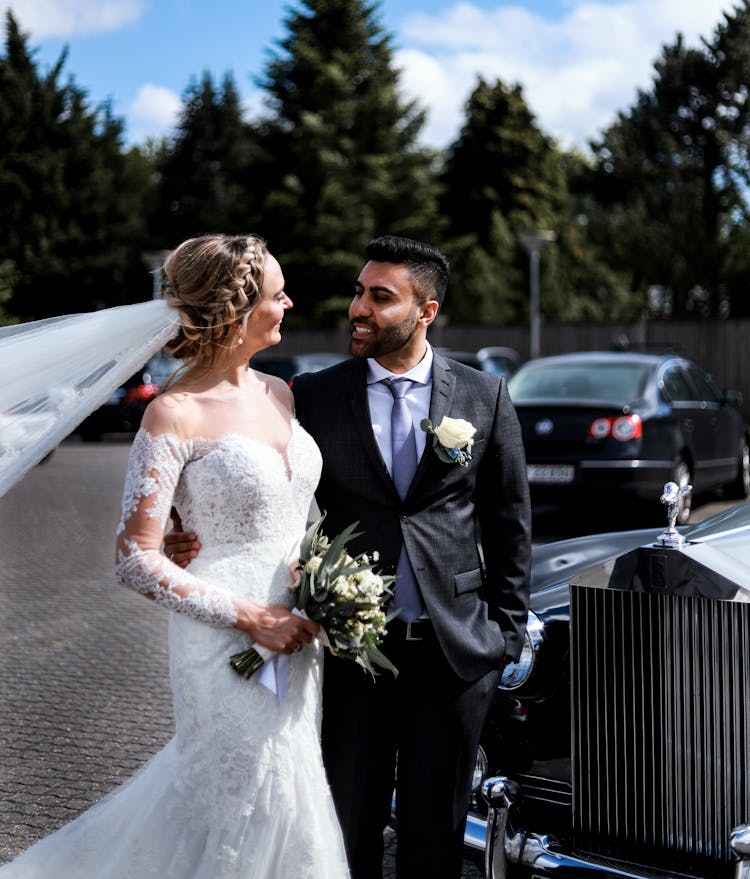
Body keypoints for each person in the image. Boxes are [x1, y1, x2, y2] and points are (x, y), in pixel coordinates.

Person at [168, 235, 531, 879]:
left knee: (435, 841)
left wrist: (502, 636)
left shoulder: (485, 397)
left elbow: (509, 527)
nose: (357, 308)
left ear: (426, 311)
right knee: (344, 831)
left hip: (455, 657)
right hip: (346, 659)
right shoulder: (312, 394)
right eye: (358, 291)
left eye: (380, 297)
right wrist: (183, 526)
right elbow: (249, 475)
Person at [0, 234, 350, 879]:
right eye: (277, 294)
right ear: (236, 310)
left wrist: (325, 580)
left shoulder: (282, 394)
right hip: (226, 636)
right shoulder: (173, 414)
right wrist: (251, 616)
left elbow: (294, 512)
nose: (290, 302)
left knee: (288, 780)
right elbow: (135, 558)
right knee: (241, 794)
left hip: (299, 631)